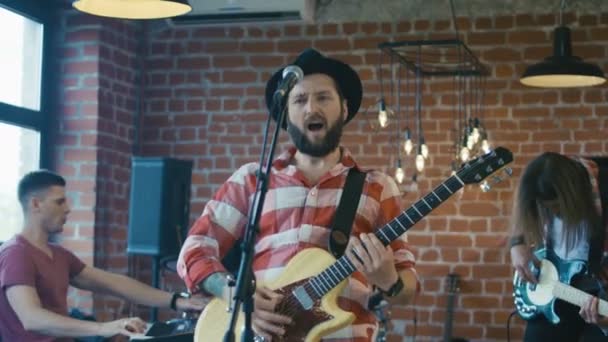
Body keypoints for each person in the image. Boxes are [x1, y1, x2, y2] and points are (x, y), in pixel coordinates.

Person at [177, 48, 418, 341]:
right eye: (300, 100)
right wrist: (238, 295)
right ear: (286, 115)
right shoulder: (253, 179)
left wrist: (389, 279)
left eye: (323, 98)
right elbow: (195, 249)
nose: (311, 109)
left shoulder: (377, 187)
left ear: (343, 108)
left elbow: (407, 288)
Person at [0, 170, 206, 342]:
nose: (68, 209)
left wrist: (177, 301)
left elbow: (114, 283)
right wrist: (102, 328)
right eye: (59, 202)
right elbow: (31, 318)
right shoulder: (16, 254)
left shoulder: (59, 255)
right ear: (36, 204)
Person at [509, 152, 608, 341]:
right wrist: (517, 242)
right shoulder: (545, 180)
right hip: (556, 290)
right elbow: (522, 205)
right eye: (545, 207)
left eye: (556, 207)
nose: (552, 212)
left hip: (601, 295)